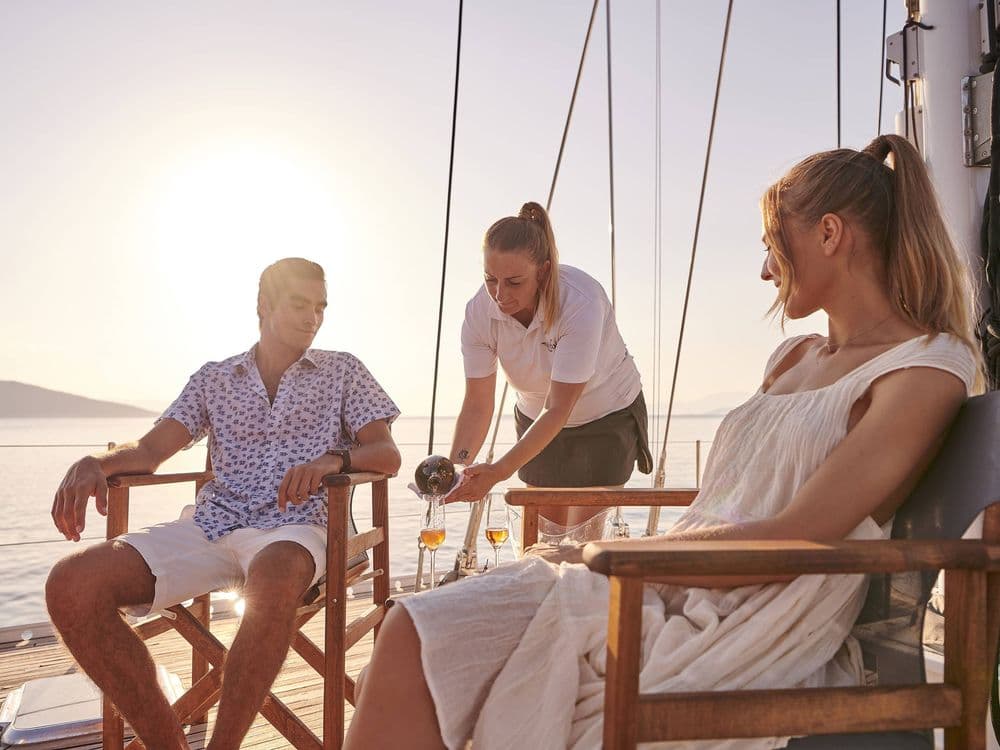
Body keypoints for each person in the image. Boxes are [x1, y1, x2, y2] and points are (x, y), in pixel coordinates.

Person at [344, 134, 982, 750]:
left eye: (772, 245)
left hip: (745, 613)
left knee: (416, 642)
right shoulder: (792, 358)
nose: (765, 270)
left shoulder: (923, 369)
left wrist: (603, 552)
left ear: (830, 234)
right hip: (669, 580)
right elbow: (730, 504)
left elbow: (799, 536)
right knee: (406, 641)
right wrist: (601, 553)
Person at [45, 257, 401, 750]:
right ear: (263, 306)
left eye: (321, 307)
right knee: (71, 585)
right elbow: (149, 451)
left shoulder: (343, 371)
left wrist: (332, 460)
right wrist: (95, 463)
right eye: (300, 304)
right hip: (213, 523)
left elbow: (387, 455)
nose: (313, 318)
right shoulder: (215, 378)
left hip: (301, 527)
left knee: (275, 573)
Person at [445, 201, 652, 542]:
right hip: (534, 419)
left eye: (514, 282)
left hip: (605, 418)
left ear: (542, 272)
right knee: (544, 541)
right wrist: (454, 469)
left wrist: (498, 471)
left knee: (582, 542)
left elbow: (558, 408)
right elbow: (478, 404)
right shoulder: (479, 313)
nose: (499, 294)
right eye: (490, 279)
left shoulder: (581, 302)